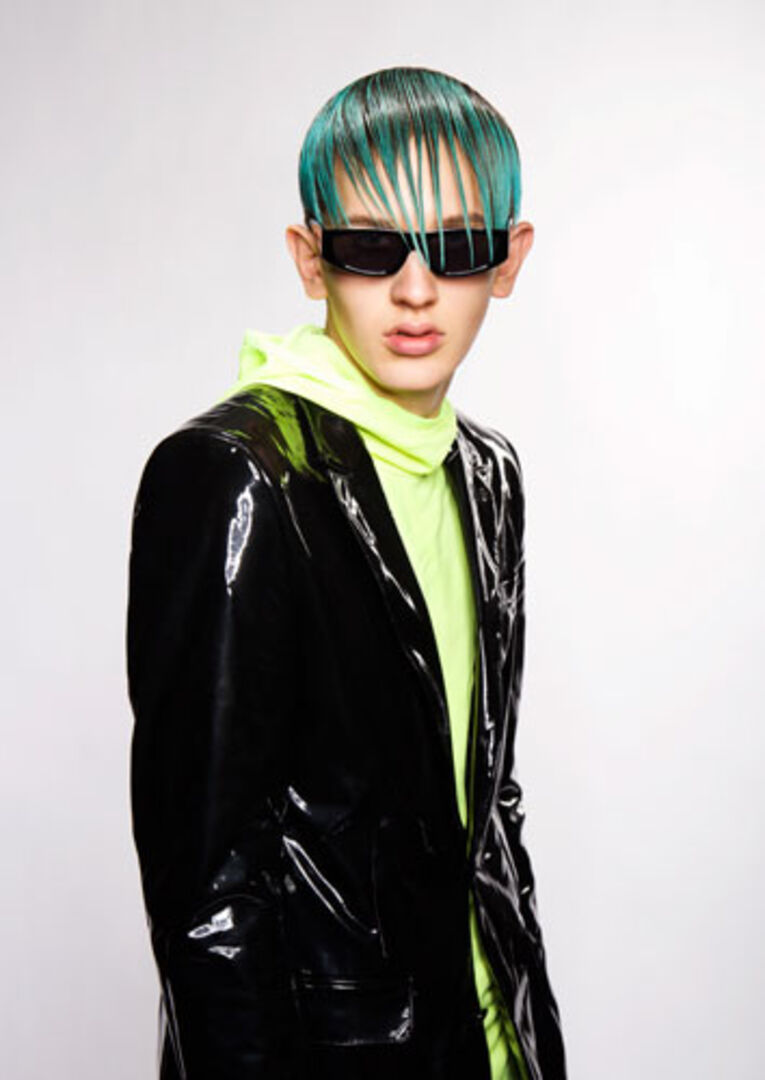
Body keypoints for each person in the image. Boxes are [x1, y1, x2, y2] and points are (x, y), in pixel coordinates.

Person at [127, 65, 567, 1080]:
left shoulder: (488, 473)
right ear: (310, 258)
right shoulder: (233, 476)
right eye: (371, 249)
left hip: (495, 1038)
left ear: (508, 259)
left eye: (455, 247)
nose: (415, 291)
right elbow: (207, 888)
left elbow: (482, 799)